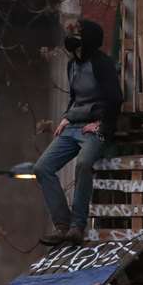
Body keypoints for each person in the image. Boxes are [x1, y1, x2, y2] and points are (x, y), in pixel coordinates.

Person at [36, 19, 122, 246]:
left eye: (80, 40)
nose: (75, 47)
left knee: (84, 164)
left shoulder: (102, 64)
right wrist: (66, 117)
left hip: (95, 128)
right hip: (74, 125)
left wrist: (102, 125)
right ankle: (62, 225)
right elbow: (74, 97)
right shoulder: (72, 65)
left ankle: (77, 226)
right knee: (42, 167)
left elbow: (115, 99)